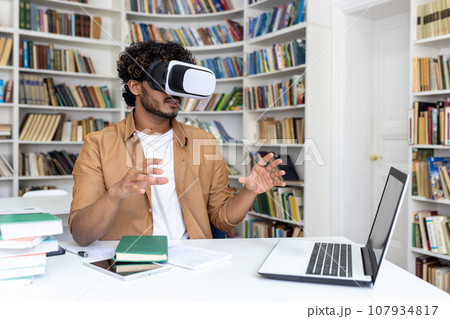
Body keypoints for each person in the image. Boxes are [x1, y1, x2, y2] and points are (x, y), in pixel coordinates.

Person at [69, 41, 286, 246]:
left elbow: (221, 220)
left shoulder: (205, 142)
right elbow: (81, 234)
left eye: (178, 84)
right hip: (132, 266)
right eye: (163, 83)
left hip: (194, 264)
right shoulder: (98, 144)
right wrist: (116, 193)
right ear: (135, 86)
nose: (174, 93)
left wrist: (249, 192)